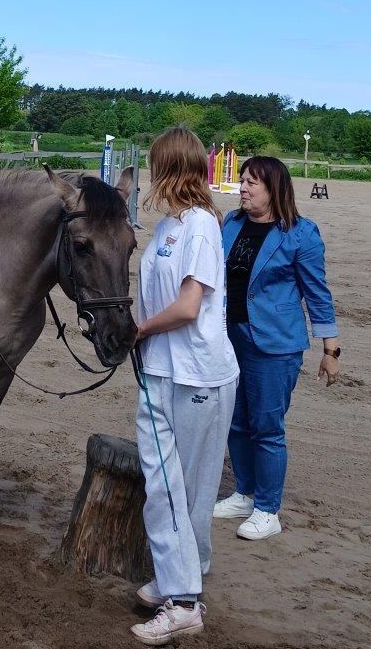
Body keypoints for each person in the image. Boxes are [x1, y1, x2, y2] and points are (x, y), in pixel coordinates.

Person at [130, 127, 239, 646]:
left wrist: (139, 330)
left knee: (189, 490)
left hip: (199, 373)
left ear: (168, 168)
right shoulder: (167, 227)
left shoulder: (200, 226)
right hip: (160, 369)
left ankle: (185, 601)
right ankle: (179, 579)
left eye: (155, 164)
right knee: (163, 483)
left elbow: (189, 306)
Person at [213, 156, 340, 541]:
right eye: (242, 181)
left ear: (274, 189)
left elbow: (317, 294)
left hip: (275, 345)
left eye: (251, 183)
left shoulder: (300, 233)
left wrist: (330, 350)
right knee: (235, 421)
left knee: (267, 428)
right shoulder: (232, 223)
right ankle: (244, 493)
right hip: (230, 338)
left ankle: (268, 510)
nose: (242, 188)